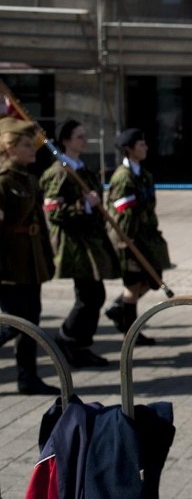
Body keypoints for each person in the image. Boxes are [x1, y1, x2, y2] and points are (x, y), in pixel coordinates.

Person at [39, 118, 121, 367]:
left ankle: (80, 344)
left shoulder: (82, 168)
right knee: (89, 295)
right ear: (65, 141)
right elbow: (53, 210)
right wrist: (83, 205)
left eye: (85, 136)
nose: (84, 141)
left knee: (94, 294)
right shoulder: (60, 171)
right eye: (79, 137)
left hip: (90, 240)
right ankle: (67, 338)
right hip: (74, 244)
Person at [0, 117, 60, 395]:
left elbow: (39, 223)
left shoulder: (31, 178)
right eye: (26, 145)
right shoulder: (3, 182)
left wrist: (47, 258)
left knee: (32, 321)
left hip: (31, 260)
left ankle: (28, 378)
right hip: (9, 263)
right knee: (15, 322)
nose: (32, 149)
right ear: (9, 148)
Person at [102, 128, 171, 346]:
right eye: (140, 145)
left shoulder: (144, 174)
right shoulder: (124, 177)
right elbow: (122, 213)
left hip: (146, 236)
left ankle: (118, 308)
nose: (145, 147)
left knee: (153, 278)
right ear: (129, 150)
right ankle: (130, 333)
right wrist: (126, 241)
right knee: (133, 285)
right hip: (129, 238)